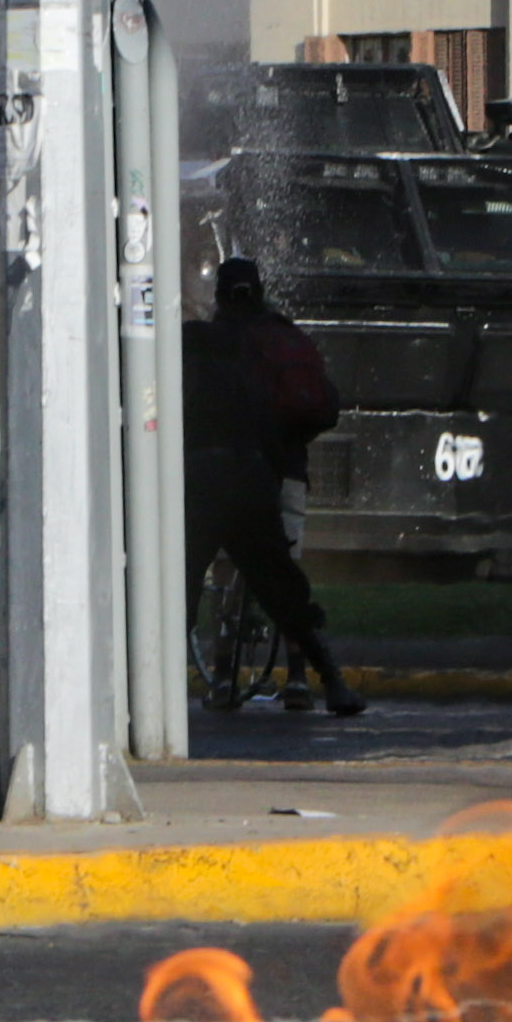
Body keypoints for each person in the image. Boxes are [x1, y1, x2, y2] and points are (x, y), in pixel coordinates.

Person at [183, 259, 361, 715]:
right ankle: (326, 681)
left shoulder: (200, 341)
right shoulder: (281, 336)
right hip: (263, 476)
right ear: (260, 292)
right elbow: (324, 405)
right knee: (283, 584)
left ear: (219, 297)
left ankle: (208, 681)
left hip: (204, 479)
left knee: (186, 583)